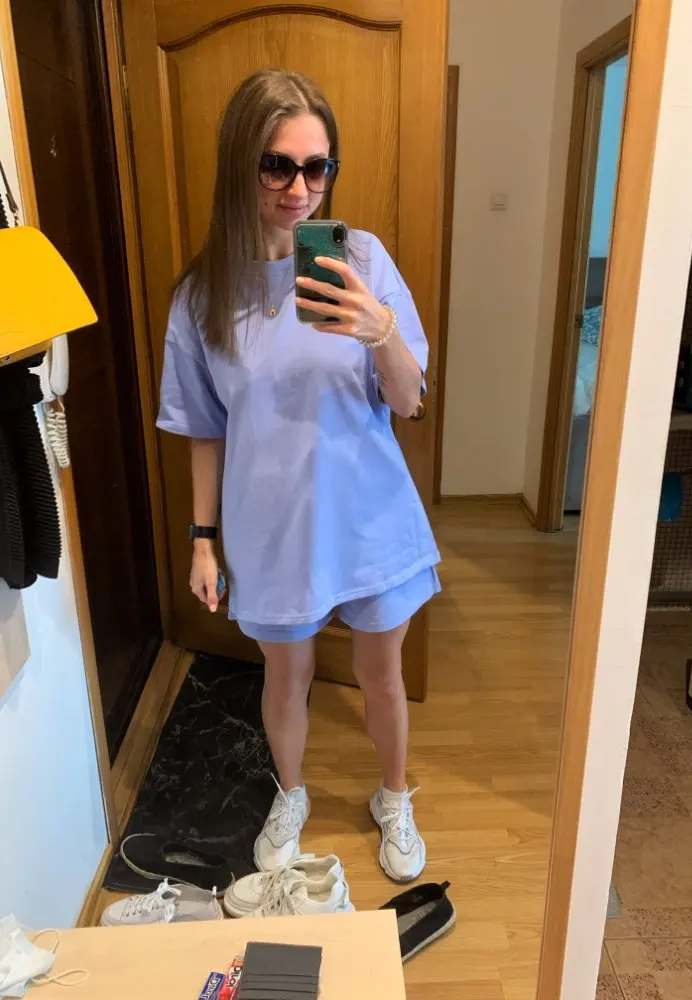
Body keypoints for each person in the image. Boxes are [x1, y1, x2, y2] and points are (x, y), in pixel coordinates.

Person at [157, 70, 440, 884]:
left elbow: (409, 400)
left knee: (380, 673)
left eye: (317, 168)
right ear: (239, 164)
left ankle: (393, 796)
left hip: (368, 513)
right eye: (277, 165)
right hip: (270, 523)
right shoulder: (203, 296)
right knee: (286, 676)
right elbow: (203, 427)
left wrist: (380, 330)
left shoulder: (361, 260)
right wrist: (202, 540)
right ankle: (291, 792)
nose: (299, 189)